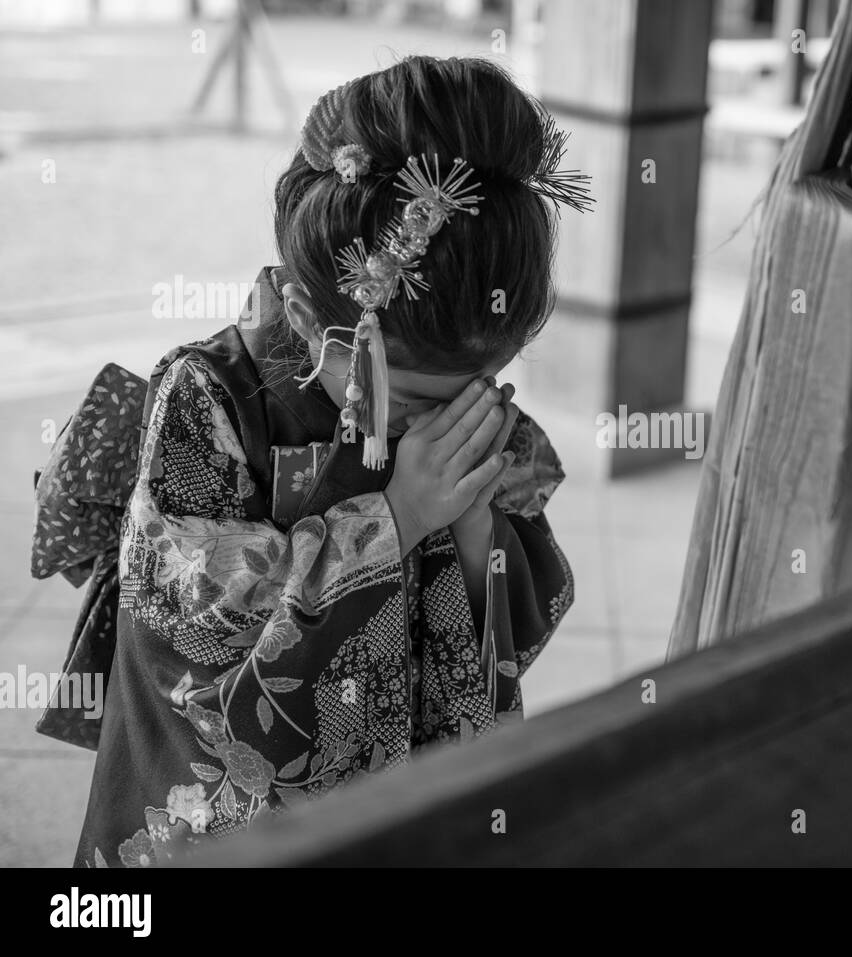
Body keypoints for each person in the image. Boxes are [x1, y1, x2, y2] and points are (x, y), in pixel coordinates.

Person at [72, 55, 591, 867]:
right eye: (409, 399)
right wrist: (394, 521)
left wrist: (475, 532)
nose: (442, 424)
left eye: (480, 385)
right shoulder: (207, 400)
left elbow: (514, 630)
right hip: (228, 819)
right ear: (314, 313)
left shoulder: (465, 396)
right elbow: (190, 634)